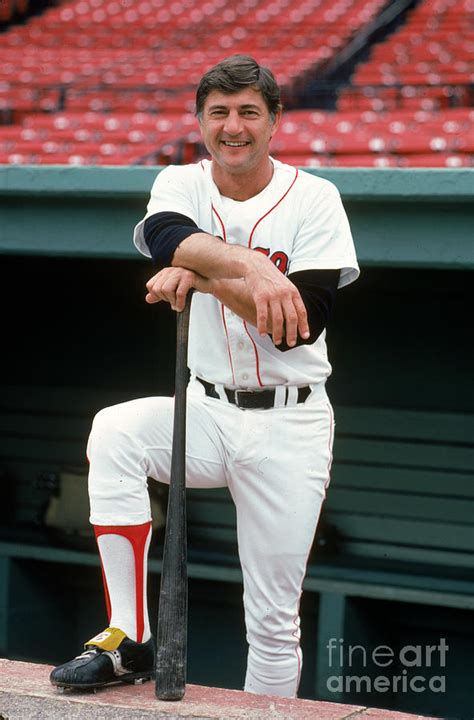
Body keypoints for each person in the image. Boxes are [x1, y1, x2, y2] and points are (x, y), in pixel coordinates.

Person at [50, 54, 359, 698]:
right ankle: (129, 638)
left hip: (290, 423)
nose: (233, 126)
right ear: (200, 121)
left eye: (249, 111)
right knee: (115, 431)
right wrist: (254, 267)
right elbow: (165, 235)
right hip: (207, 412)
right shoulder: (180, 182)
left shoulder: (316, 198)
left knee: (272, 623)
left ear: (275, 121)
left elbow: (300, 325)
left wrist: (204, 274)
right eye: (218, 112)